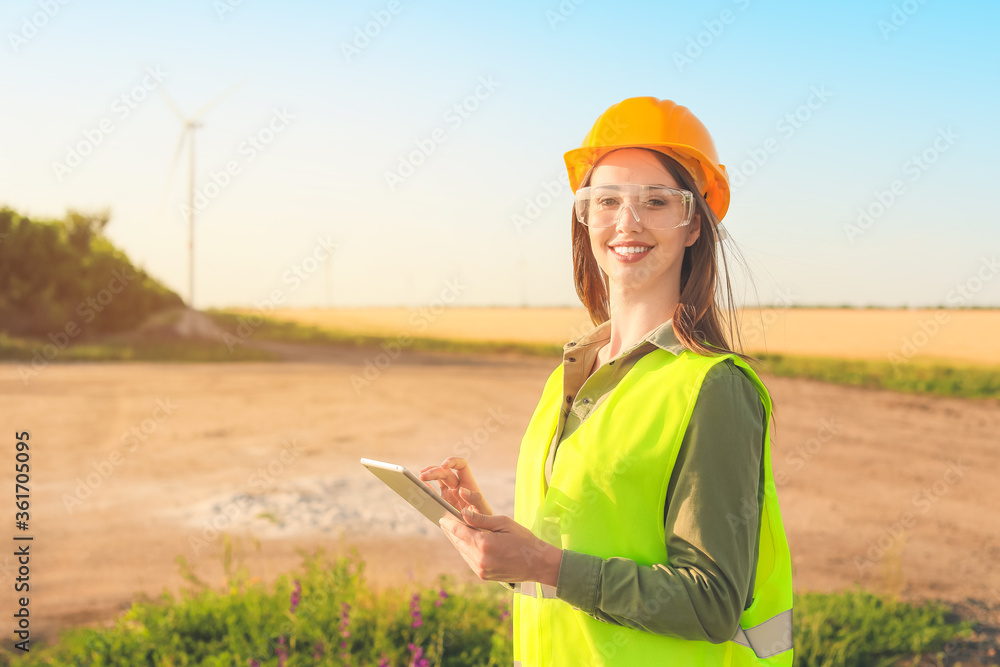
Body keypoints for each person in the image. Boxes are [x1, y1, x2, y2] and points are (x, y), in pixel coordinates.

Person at [420, 97, 794, 666]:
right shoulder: (570, 374)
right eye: (607, 201)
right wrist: (502, 539)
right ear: (584, 217)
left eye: (657, 202)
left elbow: (711, 603)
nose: (628, 222)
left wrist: (542, 564)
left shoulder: (713, 388)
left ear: (693, 224)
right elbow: (584, 559)